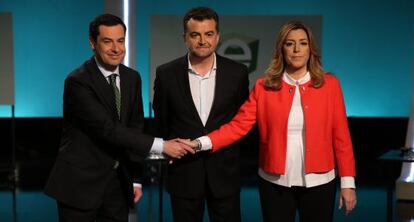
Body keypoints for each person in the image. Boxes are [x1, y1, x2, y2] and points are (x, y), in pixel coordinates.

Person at [181, 20, 357, 222]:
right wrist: (200, 143)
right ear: (281, 49)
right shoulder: (264, 87)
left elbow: (341, 137)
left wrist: (347, 183)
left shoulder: (330, 86)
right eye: (290, 44)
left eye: (303, 43)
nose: (297, 50)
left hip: (320, 181)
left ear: (311, 49)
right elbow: (237, 126)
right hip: (274, 182)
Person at [44, 14, 193, 222]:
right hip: (80, 184)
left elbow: (135, 127)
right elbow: (108, 129)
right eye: (107, 41)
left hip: (118, 184)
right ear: (92, 43)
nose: (116, 48)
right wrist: (161, 146)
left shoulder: (132, 77)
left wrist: (136, 179)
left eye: (120, 41)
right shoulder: (77, 82)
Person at [152, 7, 249, 222]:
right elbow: (162, 122)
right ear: (185, 38)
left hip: (225, 173)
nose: (202, 41)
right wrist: (167, 149)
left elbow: (242, 122)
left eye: (209, 34)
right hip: (184, 173)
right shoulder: (166, 74)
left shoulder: (238, 73)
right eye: (195, 35)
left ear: (218, 36)